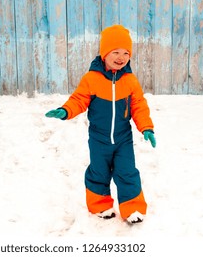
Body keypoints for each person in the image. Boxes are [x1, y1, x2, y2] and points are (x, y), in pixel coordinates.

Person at [45, 24, 156, 224]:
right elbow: (79, 99)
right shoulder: (91, 79)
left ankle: (132, 209)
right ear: (105, 53)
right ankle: (100, 206)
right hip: (99, 138)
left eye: (125, 53)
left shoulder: (130, 81)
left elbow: (139, 105)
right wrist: (65, 110)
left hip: (123, 138)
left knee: (127, 171)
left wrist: (146, 127)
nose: (121, 57)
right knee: (99, 171)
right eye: (115, 52)